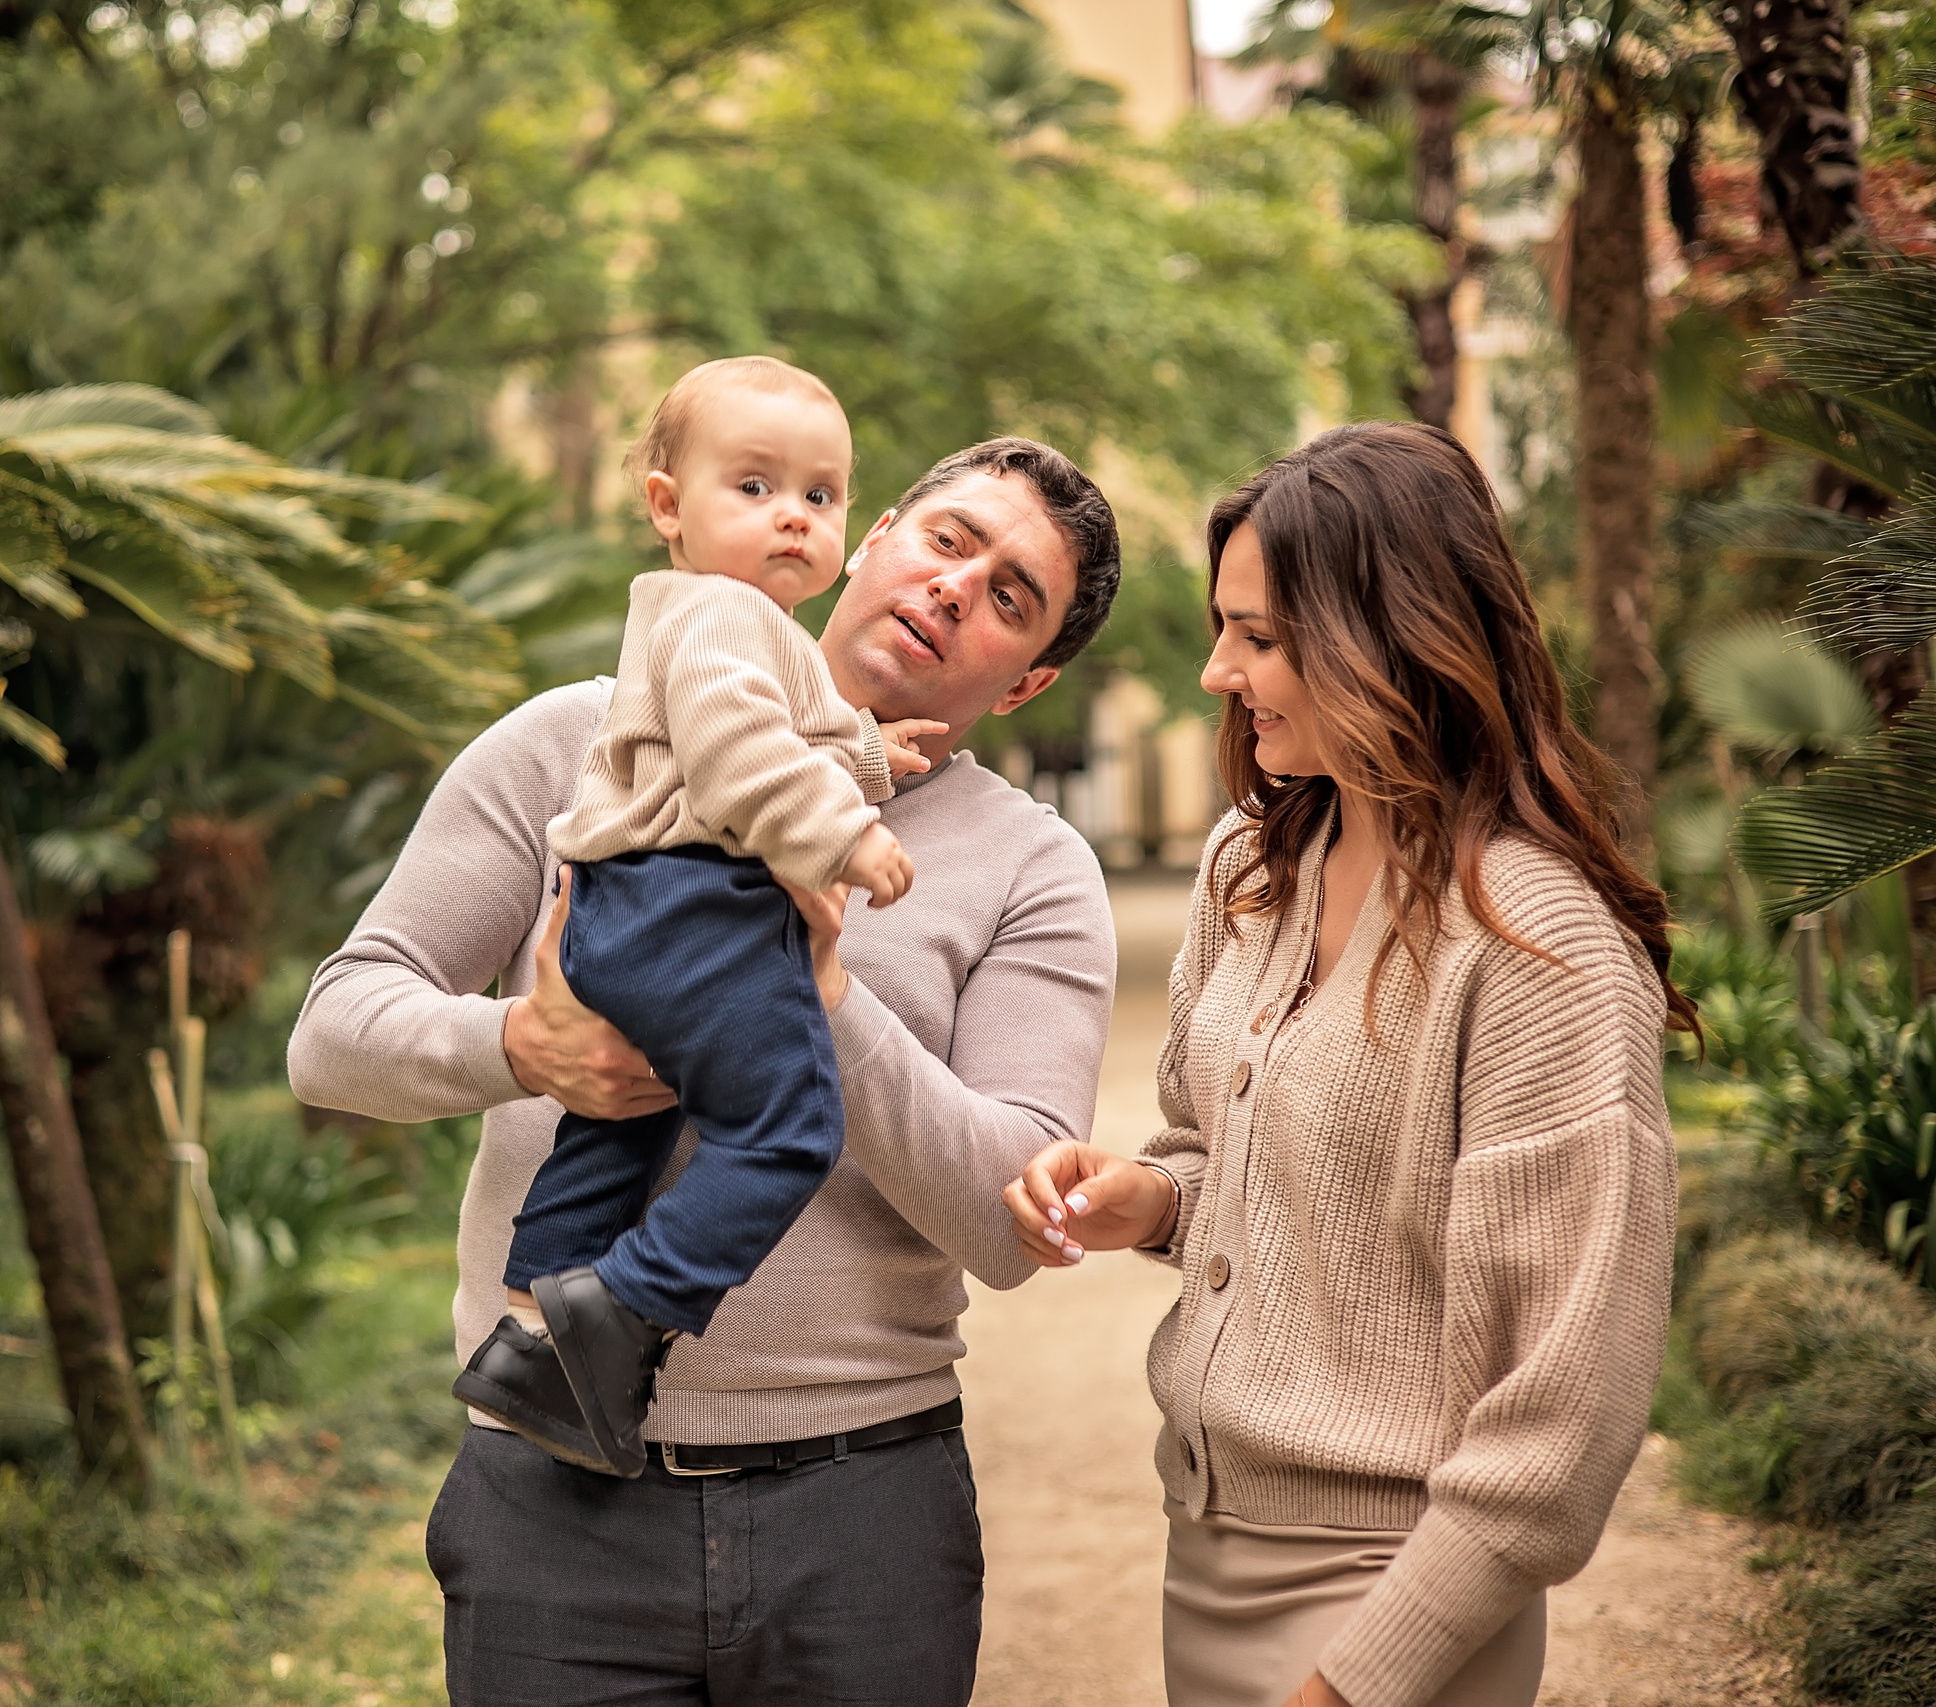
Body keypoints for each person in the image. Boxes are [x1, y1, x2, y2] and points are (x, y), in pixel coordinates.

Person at [289, 435, 1122, 1704]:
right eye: (948, 541)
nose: (957, 588)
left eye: (1011, 597)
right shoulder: (580, 741)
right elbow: (334, 1033)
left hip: (865, 1517)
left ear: (1029, 682)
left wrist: (825, 995)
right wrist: (521, 1046)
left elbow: (1013, 1219)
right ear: (877, 537)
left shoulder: (1034, 870)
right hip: (553, 1503)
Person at [1006, 421, 1691, 1707]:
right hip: (1206, 1546)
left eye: (1258, 637)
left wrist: (1350, 1685)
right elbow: (1228, 1163)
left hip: (1398, 1599)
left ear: (1390, 639)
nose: (1217, 671)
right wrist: (1149, 1198)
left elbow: (1564, 1412)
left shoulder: (1542, 953)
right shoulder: (1250, 868)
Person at [462, 356, 932, 1478]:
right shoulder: (727, 614)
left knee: (619, 1127)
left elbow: (756, 728)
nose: (792, 516)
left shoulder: (703, 622)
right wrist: (846, 833)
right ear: (668, 506)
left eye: (819, 494)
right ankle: (623, 1310)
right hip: (697, 905)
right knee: (786, 1127)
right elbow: (738, 756)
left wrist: (867, 752)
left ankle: (528, 1339)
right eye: (754, 487)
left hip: (621, 910)